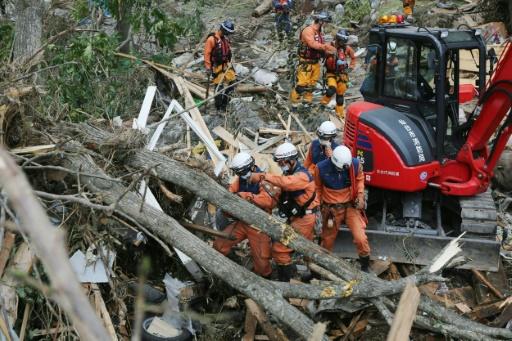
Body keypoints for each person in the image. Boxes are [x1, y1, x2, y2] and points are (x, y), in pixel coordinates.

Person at [250, 142, 320, 281]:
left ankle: (285, 285)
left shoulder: (301, 176)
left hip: (304, 219)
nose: (280, 165)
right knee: (308, 249)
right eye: (279, 162)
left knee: (280, 249)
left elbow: (287, 183)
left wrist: (263, 176)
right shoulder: (289, 173)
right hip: (298, 217)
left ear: (291, 159)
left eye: (282, 162)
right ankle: (314, 276)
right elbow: (280, 192)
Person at [213, 152, 279, 278]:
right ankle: (230, 267)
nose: (239, 175)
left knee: (262, 263)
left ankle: (267, 279)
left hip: (259, 224)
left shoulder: (263, 178)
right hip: (242, 221)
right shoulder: (241, 179)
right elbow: (231, 191)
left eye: (241, 172)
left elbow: (269, 201)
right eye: (238, 173)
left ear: (251, 167)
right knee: (219, 245)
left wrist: (247, 196)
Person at [314, 146, 371, 272]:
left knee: (361, 238)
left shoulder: (355, 165)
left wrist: (360, 195)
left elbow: (360, 179)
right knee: (326, 242)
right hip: (331, 210)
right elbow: (317, 188)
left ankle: (365, 268)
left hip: (351, 206)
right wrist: (317, 207)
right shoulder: (321, 168)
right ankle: (320, 270)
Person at [290, 11, 336, 109]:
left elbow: (320, 47)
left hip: (315, 62)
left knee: (312, 83)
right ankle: (294, 103)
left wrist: (328, 52)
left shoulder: (320, 33)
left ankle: (307, 101)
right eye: (326, 22)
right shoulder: (308, 30)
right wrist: (326, 47)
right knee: (301, 85)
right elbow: (312, 44)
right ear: (320, 21)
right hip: (305, 63)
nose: (326, 24)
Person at [320, 29, 356, 119]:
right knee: (332, 89)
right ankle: (323, 103)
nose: (342, 43)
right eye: (341, 41)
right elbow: (321, 52)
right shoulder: (329, 46)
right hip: (331, 73)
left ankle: (339, 113)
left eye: (344, 42)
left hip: (342, 74)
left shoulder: (346, 48)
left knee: (340, 95)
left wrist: (351, 67)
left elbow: (353, 57)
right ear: (337, 39)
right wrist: (328, 53)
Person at [204, 20, 237, 112]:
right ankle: (218, 107)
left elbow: (227, 51)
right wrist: (208, 67)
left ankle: (225, 104)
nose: (229, 35)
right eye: (228, 32)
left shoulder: (225, 39)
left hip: (226, 65)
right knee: (219, 87)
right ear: (223, 30)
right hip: (217, 66)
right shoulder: (211, 39)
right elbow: (207, 54)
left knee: (233, 83)